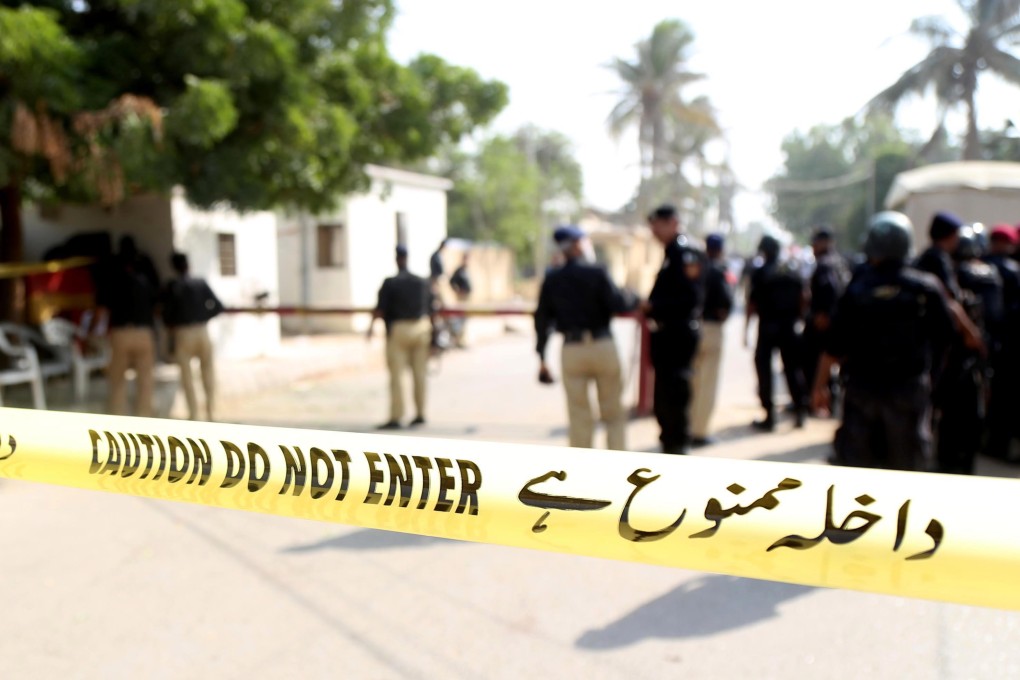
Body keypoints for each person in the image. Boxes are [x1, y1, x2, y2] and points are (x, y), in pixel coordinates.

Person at [812, 212, 954, 471]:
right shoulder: (926, 287)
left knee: (860, 472)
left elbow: (834, 345)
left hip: (862, 391)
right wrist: (931, 379)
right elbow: (945, 338)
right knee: (907, 469)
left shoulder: (856, 289)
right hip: (909, 391)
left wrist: (819, 386)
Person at [534, 226, 636, 450]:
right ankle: (619, 465)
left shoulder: (553, 279)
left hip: (572, 350)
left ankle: (583, 471)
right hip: (602, 346)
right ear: (579, 245)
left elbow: (542, 320)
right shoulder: (597, 272)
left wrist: (542, 358)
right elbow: (619, 303)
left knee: (579, 416)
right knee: (613, 412)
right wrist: (633, 297)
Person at [936, 227, 1003, 474]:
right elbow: (997, 318)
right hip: (982, 355)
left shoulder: (954, 274)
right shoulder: (991, 275)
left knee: (949, 414)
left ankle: (947, 461)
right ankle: (965, 464)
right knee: (973, 413)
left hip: (955, 356)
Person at [643, 204, 705, 454]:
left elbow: (691, 299)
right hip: (667, 334)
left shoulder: (686, 253)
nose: (654, 231)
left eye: (658, 225)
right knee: (664, 397)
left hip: (678, 334)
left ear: (673, 223)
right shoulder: (671, 254)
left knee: (676, 395)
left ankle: (678, 445)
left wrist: (653, 306)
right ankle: (670, 441)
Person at [745, 234, 808, 431]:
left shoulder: (761, 271)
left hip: (768, 327)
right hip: (789, 327)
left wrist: (745, 329)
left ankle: (769, 416)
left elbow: (752, 303)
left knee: (765, 371)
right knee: (792, 369)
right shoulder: (792, 269)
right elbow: (804, 296)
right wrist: (799, 318)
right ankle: (800, 411)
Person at [368, 245, 435, 430]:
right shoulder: (422, 282)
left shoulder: (391, 283)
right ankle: (420, 413)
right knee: (419, 374)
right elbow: (432, 309)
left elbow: (379, 310)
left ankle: (396, 416)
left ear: (397, 259)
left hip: (399, 330)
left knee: (397, 376)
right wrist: (435, 336)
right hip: (421, 328)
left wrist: (370, 329)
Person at [98, 236, 160, 417]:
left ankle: (118, 419)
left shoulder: (112, 278)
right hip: (143, 333)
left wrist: (92, 333)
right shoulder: (145, 280)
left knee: (117, 379)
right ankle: (143, 418)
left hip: (120, 333)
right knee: (146, 380)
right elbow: (156, 304)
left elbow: (102, 308)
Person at [161, 252, 224, 421]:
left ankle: (194, 414)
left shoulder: (173, 286)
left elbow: (166, 314)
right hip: (202, 331)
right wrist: (203, 317)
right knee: (208, 372)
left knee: (187, 376)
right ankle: (211, 413)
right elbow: (218, 306)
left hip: (183, 333)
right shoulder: (200, 283)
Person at [689, 233, 734, 447]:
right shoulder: (719, 270)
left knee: (693, 380)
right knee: (707, 383)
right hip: (711, 328)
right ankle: (699, 431)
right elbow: (726, 303)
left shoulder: (694, 268)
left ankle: (688, 426)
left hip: (693, 327)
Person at [982, 225, 1020, 460]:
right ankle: (1001, 446)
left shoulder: (979, 264)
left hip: (984, 343)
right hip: (1009, 345)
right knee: (1007, 398)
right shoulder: (1013, 270)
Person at [802, 227, 850, 412]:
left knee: (816, 364)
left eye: (815, 243)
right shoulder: (840, 262)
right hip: (838, 324)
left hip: (825, 326)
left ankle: (819, 401)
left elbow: (829, 290)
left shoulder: (825, 265)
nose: (813, 248)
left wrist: (824, 315)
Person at [448, 252, 472, 349]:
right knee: (460, 319)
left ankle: (462, 340)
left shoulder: (466, 270)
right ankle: (458, 340)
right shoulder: (459, 271)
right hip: (461, 297)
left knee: (464, 320)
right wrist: (457, 290)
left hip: (467, 297)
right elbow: (451, 281)